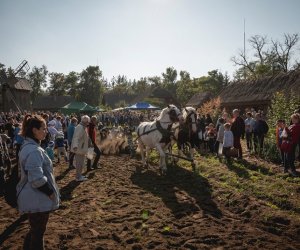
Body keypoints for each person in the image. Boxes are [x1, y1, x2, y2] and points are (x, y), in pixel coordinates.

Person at [16, 114, 60, 250]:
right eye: (44, 128)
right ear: (34, 130)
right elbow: (36, 178)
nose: (46, 131)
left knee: (35, 230)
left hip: (33, 197)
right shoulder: (34, 150)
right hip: (37, 199)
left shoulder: (29, 146)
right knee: (38, 233)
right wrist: (50, 192)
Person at [70, 115, 90, 181]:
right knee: (79, 164)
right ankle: (78, 177)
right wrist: (75, 146)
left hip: (81, 149)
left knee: (81, 163)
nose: (88, 123)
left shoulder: (83, 127)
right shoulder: (80, 127)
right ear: (85, 121)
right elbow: (76, 137)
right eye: (87, 122)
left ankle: (80, 175)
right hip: (79, 149)